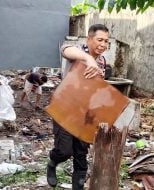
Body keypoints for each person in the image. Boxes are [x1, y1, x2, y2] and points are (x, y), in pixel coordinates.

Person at [47, 24, 109, 189]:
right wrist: (88, 59)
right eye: (100, 40)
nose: (103, 44)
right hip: (65, 109)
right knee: (64, 151)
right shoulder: (77, 50)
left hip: (86, 113)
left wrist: (100, 77)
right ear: (88, 39)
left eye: (106, 41)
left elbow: (97, 86)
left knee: (81, 155)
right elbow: (64, 49)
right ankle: (52, 161)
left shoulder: (102, 60)